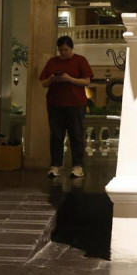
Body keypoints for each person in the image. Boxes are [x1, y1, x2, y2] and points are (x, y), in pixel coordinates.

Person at [39, 35, 93, 178]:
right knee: (56, 136)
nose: (63, 52)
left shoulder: (80, 60)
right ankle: (55, 165)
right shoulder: (52, 62)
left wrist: (70, 79)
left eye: (66, 50)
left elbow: (86, 81)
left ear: (71, 48)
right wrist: (52, 78)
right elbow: (43, 83)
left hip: (76, 104)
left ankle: (77, 166)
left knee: (76, 135)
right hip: (55, 104)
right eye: (60, 50)